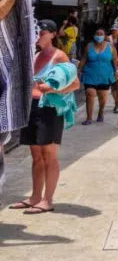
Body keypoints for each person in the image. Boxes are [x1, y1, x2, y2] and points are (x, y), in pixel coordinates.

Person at [9, 19, 79, 214]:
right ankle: (35, 197)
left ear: (53, 34)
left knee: (49, 155)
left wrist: (51, 90)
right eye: (37, 32)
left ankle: (47, 200)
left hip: (49, 109)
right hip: (31, 108)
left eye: (42, 32)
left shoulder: (59, 56)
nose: (38, 35)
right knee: (36, 156)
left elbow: (75, 84)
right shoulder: (35, 55)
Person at [78, 27, 117, 124]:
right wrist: (78, 70)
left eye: (101, 34)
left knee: (102, 97)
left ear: (104, 36)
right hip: (90, 75)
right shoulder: (89, 46)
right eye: (97, 34)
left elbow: (115, 61)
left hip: (105, 76)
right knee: (90, 94)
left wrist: (116, 71)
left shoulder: (111, 47)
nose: (98, 36)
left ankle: (100, 112)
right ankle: (89, 118)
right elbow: (83, 59)